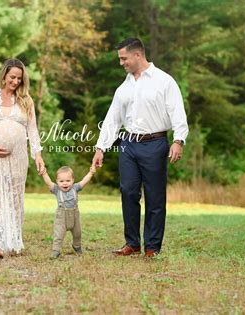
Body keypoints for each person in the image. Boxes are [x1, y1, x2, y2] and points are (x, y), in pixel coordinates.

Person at [92, 38, 188, 258]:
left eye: (123, 58)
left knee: (154, 197)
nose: (121, 63)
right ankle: (132, 243)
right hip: (128, 145)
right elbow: (112, 120)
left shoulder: (164, 81)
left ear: (137, 55)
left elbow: (177, 112)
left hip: (155, 143)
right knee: (128, 191)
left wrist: (178, 140)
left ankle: (152, 247)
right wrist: (101, 148)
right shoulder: (123, 88)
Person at [0, 58, 45, 259]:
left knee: (15, 197)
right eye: (12, 77)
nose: (15, 82)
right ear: (4, 75)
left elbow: (32, 129)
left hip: (18, 156)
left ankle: (14, 241)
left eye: (19, 79)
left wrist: (37, 155)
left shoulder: (26, 100)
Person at [39, 166, 96, 259]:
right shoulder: (56, 190)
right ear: (57, 182)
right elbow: (48, 182)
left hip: (74, 215)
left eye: (68, 181)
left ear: (73, 180)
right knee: (59, 234)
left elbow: (84, 181)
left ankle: (77, 246)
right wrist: (44, 173)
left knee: (77, 233)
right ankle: (56, 250)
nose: (65, 183)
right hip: (62, 217)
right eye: (61, 181)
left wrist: (91, 173)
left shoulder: (75, 188)